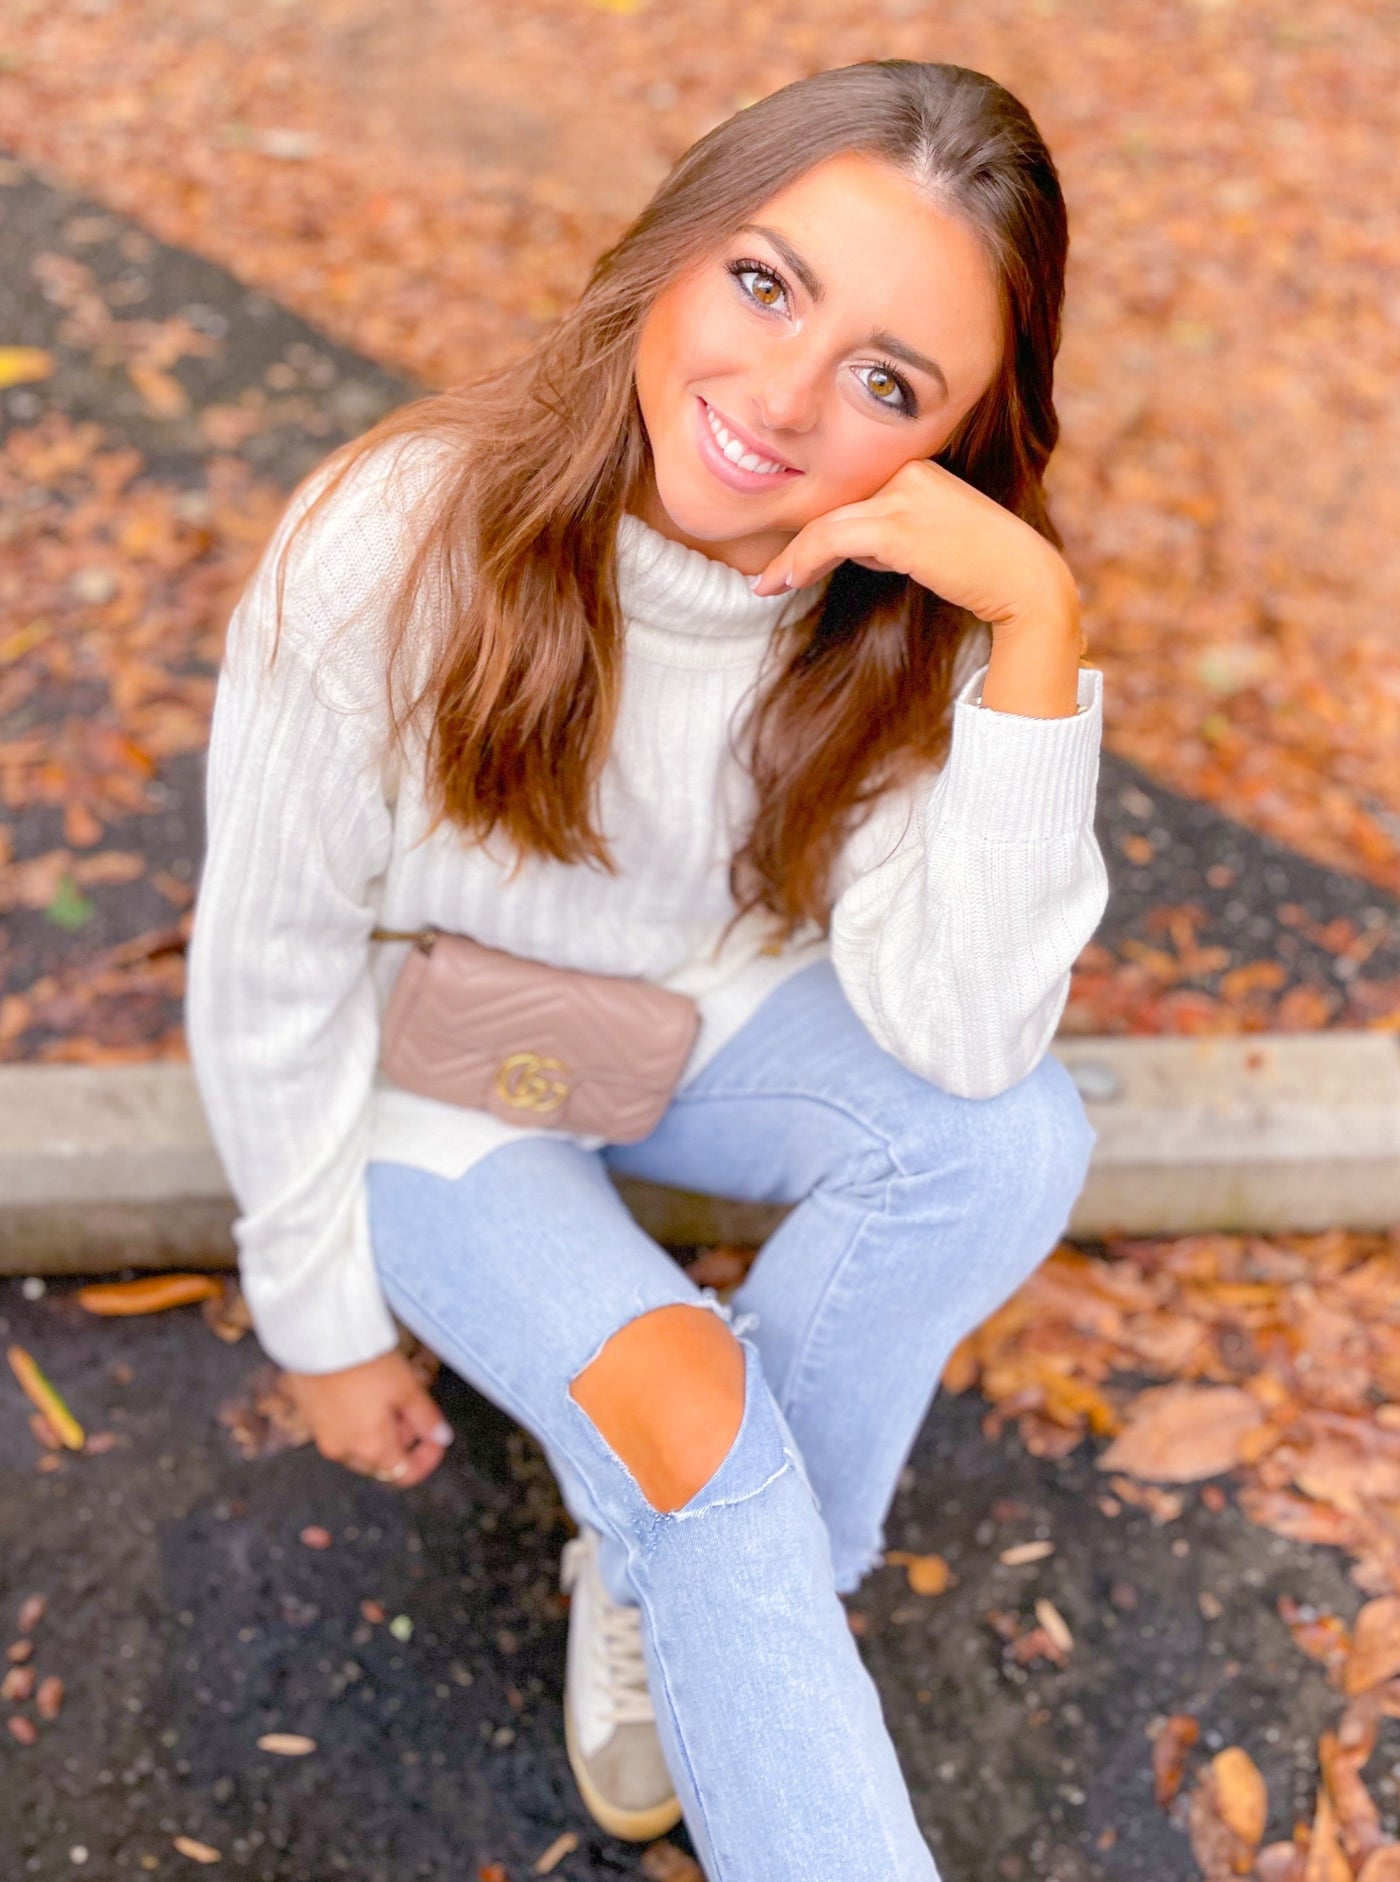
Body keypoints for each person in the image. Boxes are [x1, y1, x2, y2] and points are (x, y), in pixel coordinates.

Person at [186, 56, 1108, 1879]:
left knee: (1007, 1142)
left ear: (955, 440)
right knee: (710, 1458)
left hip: (698, 1029)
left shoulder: (926, 623)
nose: (781, 399)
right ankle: (717, 1545)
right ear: (670, 250)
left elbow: (972, 1039)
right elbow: (272, 955)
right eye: (767, 282)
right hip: (449, 1072)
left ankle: (699, 1571)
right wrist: (320, 1313)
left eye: (888, 381)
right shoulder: (391, 541)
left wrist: (1037, 630)